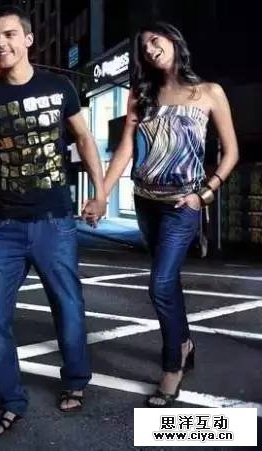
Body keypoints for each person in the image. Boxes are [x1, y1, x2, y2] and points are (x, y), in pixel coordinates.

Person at [0, 5, 106, 437]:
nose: (1, 43)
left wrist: (100, 193)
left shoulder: (59, 86)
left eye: (10, 34)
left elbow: (84, 138)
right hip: (6, 225)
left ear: (28, 39)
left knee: (68, 306)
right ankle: (11, 400)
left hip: (54, 219)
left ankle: (76, 380)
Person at [91, 22, 239, 408]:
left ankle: (172, 364)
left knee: (158, 285)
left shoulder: (208, 92)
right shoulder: (141, 95)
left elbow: (231, 152)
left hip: (181, 206)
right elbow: (125, 149)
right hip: (145, 201)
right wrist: (102, 195)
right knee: (167, 281)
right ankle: (185, 343)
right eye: (143, 47)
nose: (150, 49)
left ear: (173, 40)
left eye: (155, 41)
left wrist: (205, 195)